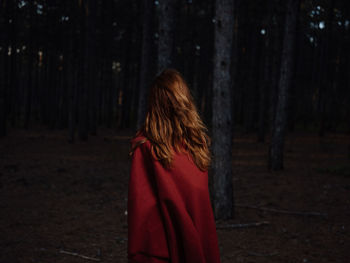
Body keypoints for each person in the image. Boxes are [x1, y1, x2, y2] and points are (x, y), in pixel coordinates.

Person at [127, 68, 221, 263]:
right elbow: (145, 211)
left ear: (155, 106)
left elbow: (141, 213)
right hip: (166, 250)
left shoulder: (192, 147)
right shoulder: (194, 148)